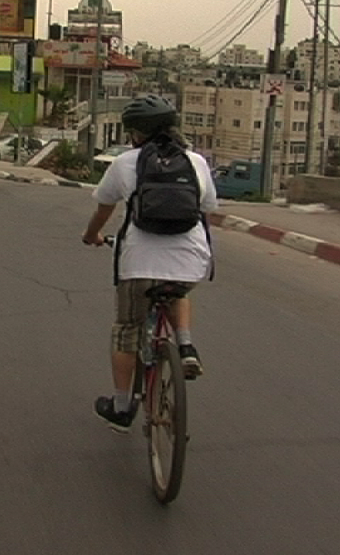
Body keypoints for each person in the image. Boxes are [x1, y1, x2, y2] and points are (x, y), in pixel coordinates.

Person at [81, 94, 217, 432]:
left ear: (137, 133)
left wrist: (91, 236)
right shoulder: (195, 162)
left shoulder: (125, 163)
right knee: (178, 289)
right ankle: (185, 345)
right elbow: (208, 206)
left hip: (138, 263)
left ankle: (123, 407)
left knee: (127, 329)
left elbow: (103, 209)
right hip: (190, 260)